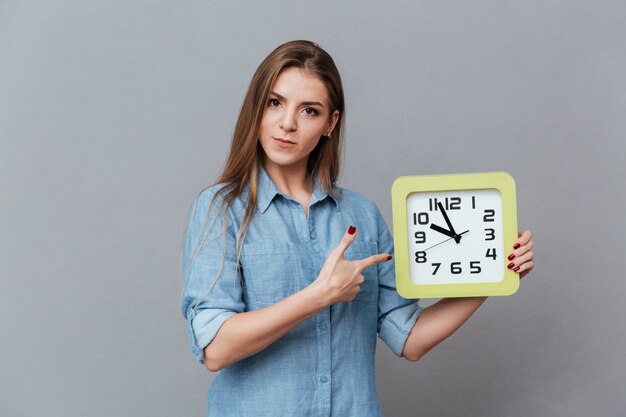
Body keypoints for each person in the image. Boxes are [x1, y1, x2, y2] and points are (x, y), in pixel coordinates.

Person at [181, 40, 535, 417]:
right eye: (275, 103)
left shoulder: (363, 216)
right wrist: (319, 295)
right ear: (257, 108)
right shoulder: (221, 209)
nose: (288, 123)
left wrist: (495, 273)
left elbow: (410, 338)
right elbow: (215, 348)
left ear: (330, 123)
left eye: (309, 110)